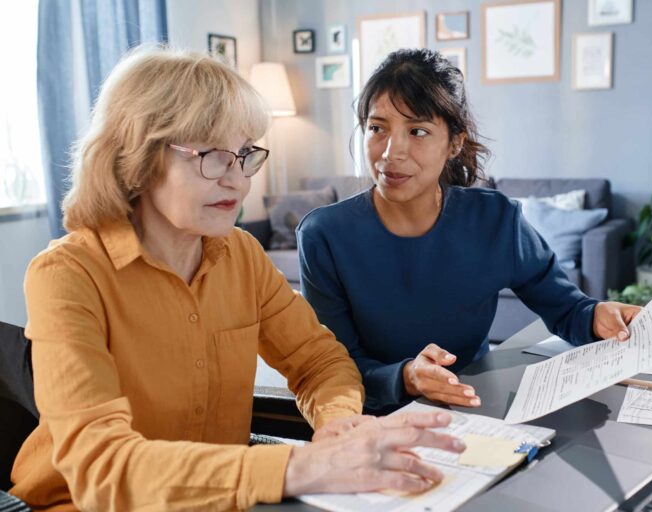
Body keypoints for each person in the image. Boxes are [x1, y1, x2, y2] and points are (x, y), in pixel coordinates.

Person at [9, 46, 465, 511]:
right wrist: (299, 466)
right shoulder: (67, 275)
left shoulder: (241, 255)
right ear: (138, 157)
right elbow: (101, 468)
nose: (239, 181)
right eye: (211, 155)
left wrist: (336, 425)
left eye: (243, 154)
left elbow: (320, 362)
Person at [297, 48, 642, 413]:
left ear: (455, 143)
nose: (390, 153)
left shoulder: (495, 220)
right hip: (376, 421)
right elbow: (334, 366)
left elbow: (567, 309)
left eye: (417, 131)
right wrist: (405, 377)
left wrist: (598, 316)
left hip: (475, 407)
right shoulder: (324, 235)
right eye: (377, 128)